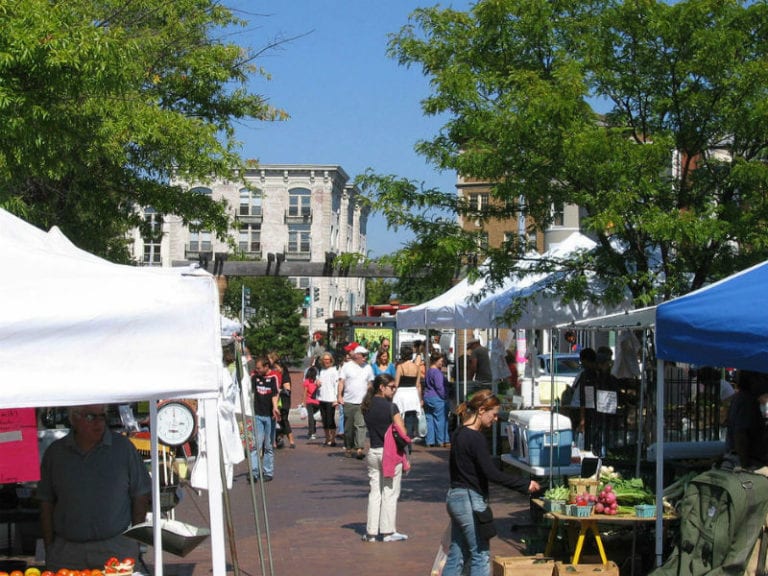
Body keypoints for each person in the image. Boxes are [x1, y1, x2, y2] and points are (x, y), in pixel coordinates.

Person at [37, 405, 151, 571]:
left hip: (115, 546)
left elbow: (141, 494)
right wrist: (50, 546)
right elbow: (46, 502)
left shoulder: (123, 448)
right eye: (91, 417)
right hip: (67, 552)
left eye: (102, 416)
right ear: (74, 419)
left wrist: (135, 541)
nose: (99, 423)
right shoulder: (56, 453)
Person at [443, 390, 540, 575]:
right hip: (470, 500)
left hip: (455, 497)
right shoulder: (475, 438)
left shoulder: (458, 433)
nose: (495, 419)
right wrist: (524, 485)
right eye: (493, 414)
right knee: (480, 553)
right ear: (481, 410)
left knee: (458, 552)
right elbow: (491, 473)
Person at [360, 373, 411, 543]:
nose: (394, 390)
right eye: (391, 387)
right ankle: (388, 532)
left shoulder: (366, 405)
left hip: (373, 452)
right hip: (389, 453)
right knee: (389, 492)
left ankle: (371, 532)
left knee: (375, 492)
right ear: (382, 387)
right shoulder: (391, 407)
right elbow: (402, 431)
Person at [338, 345, 375, 459]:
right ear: (357, 355)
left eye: (366, 356)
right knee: (348, 428)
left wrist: (370, 397)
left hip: (362, 402)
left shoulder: (368, 368)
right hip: (349, 401)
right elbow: (341, 382)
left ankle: (359, 449)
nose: (365, 358)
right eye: (363, 355)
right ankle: (348, 447)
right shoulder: (347, 366)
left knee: (360, 425)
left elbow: (370, 384)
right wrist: (339, 396)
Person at [250, 356, 280, 481]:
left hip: (269, 416)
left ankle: (268, 472)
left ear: (266, 367)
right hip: (257, 414)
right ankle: (254, 472)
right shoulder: (255, 377)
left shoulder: (273, 377)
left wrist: (275, 407)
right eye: (256, 368)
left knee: (268, 445)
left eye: (259, 368)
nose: (257, 370)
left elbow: (275, 393)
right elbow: (250, 392)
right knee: (255, 445)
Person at [393, 345, 423, 441]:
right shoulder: (417, 367)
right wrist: (420, 399)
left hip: (401, 394)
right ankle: (409, 438)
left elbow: (396, 383)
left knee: (400, 417)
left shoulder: (400, 367)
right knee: (411, 418)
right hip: (413, 394)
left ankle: (402, 437)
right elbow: (418, 385)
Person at [268, 351, 295, 449]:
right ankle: (277, 439)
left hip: (283, 400)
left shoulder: (284, 375)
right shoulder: (273, 374)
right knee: (276, 420)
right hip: (276, 400)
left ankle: (291, 441)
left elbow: (287, 390)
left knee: (283, 420)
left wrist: (279, 390)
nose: (275, 369)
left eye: (276, 368)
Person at [424, 352, 450, 448]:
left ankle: (429, 441)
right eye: (441, 361)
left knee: (429, 419)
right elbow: (440, 387)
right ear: (436, 361)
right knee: (441, 420)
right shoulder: (437, 373)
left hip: (427, 397)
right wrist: (444, 396)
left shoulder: (429, 371)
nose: (442, 363)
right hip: (437, 398)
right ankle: (441, 441)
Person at [316, 352, 340, 447]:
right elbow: (317, 381)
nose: (326, 361)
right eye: (324, 359)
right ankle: (327, 438)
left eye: (328, 359)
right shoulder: (321, 371)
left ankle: (333, 439)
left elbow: (336, 385)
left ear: (331, 360)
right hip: (322, 398)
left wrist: (336, 399)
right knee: (324, 420)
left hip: (331, 399)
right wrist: (316, 382)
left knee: (330, 420)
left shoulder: (334, 371)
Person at [303, 366, 321, 440]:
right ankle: (313, 432)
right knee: (315, 417)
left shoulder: (306, 381)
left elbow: (305, 392)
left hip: (309, 401)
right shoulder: (317, 381)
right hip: (317, 402)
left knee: (310, 418)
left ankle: (311, 432)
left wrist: (303, 402)